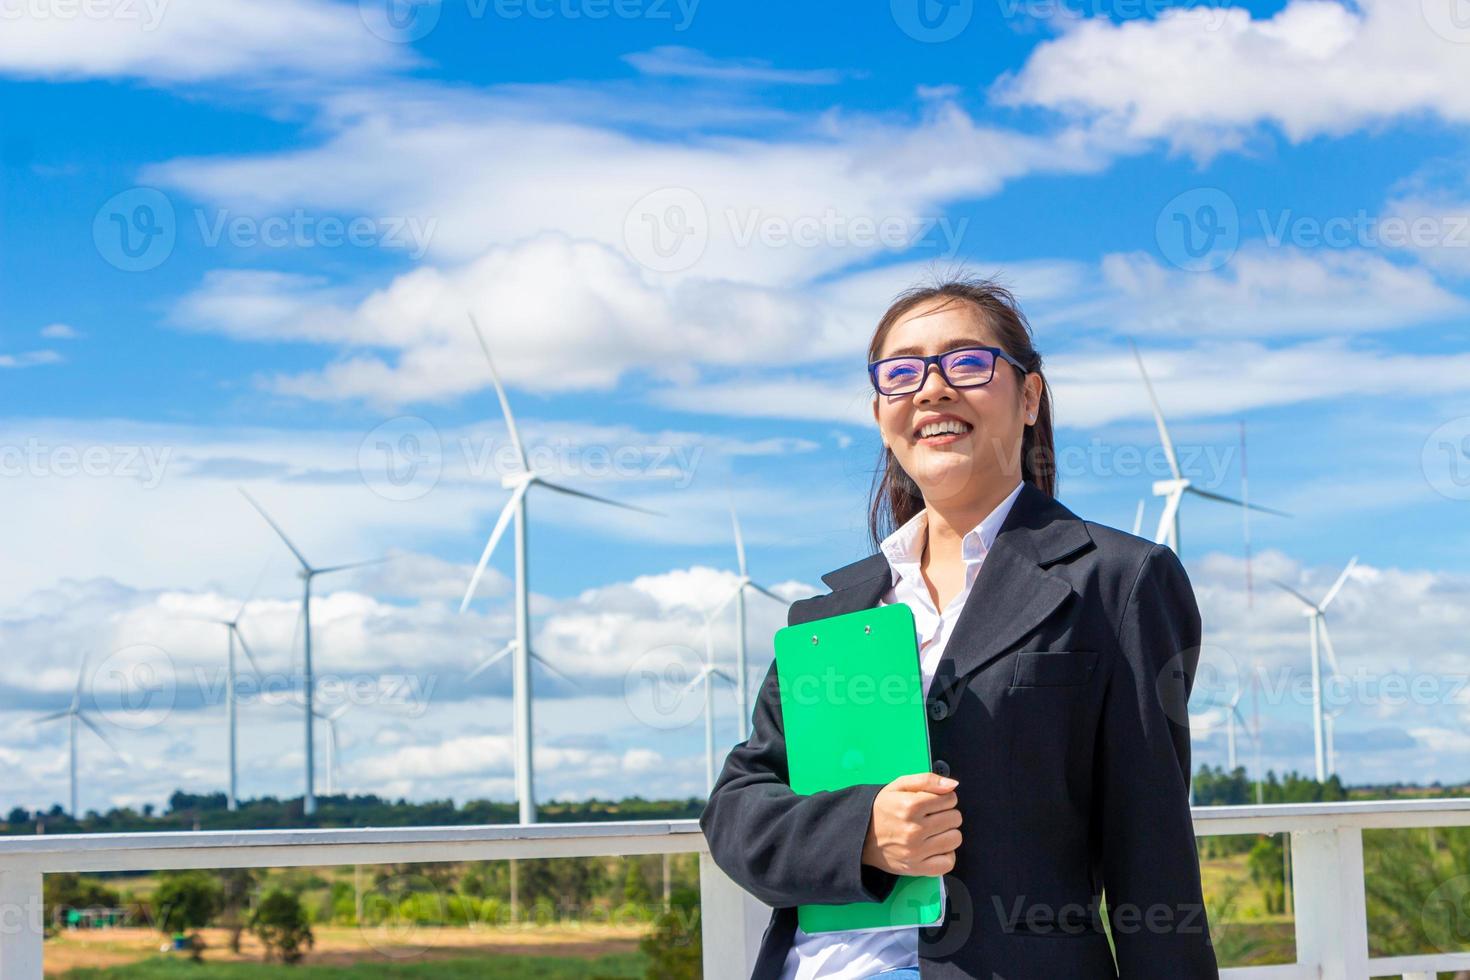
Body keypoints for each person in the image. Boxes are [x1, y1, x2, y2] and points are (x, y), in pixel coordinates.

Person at [699, 277, 1219, 979]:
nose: (932, 388)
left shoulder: (1119, 582)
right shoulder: (833, 614)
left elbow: (1151, 853)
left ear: (1029, 397)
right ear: (881, 410)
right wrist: (864, 835)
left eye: (968, 363)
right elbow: (736, 808)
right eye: (902, 371)